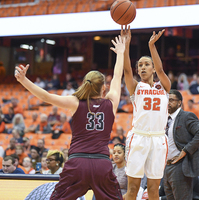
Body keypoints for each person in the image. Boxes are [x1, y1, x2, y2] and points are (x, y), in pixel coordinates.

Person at [15, 34, 125, 199]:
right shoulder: (111, 103)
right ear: (104, 87)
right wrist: (121, 53)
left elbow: (46, 97)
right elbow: (117, 76)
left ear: (85, 84)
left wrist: (24, 80)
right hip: (101, 163)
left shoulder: (75, 102)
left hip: (77, 163)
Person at [121, 26, 171, 200]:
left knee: (153, 190)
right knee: (133, 188)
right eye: (140, 65)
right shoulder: (136, 87)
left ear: (153, 69)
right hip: (139, 137)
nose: (143, 67)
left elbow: (162, 70)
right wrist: (126, 44)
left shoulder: (163, 86)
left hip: (158, 139)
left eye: (146, 64)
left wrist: (152, 46)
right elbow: (126, 70)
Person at [164, 89, 199, 200]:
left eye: (171, 100)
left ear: (179, 103)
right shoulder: (164, 119)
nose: (168, 103)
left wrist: (185, 150)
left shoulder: (186, 116)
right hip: (166, 166)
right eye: (166, 100)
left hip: (181, 165)